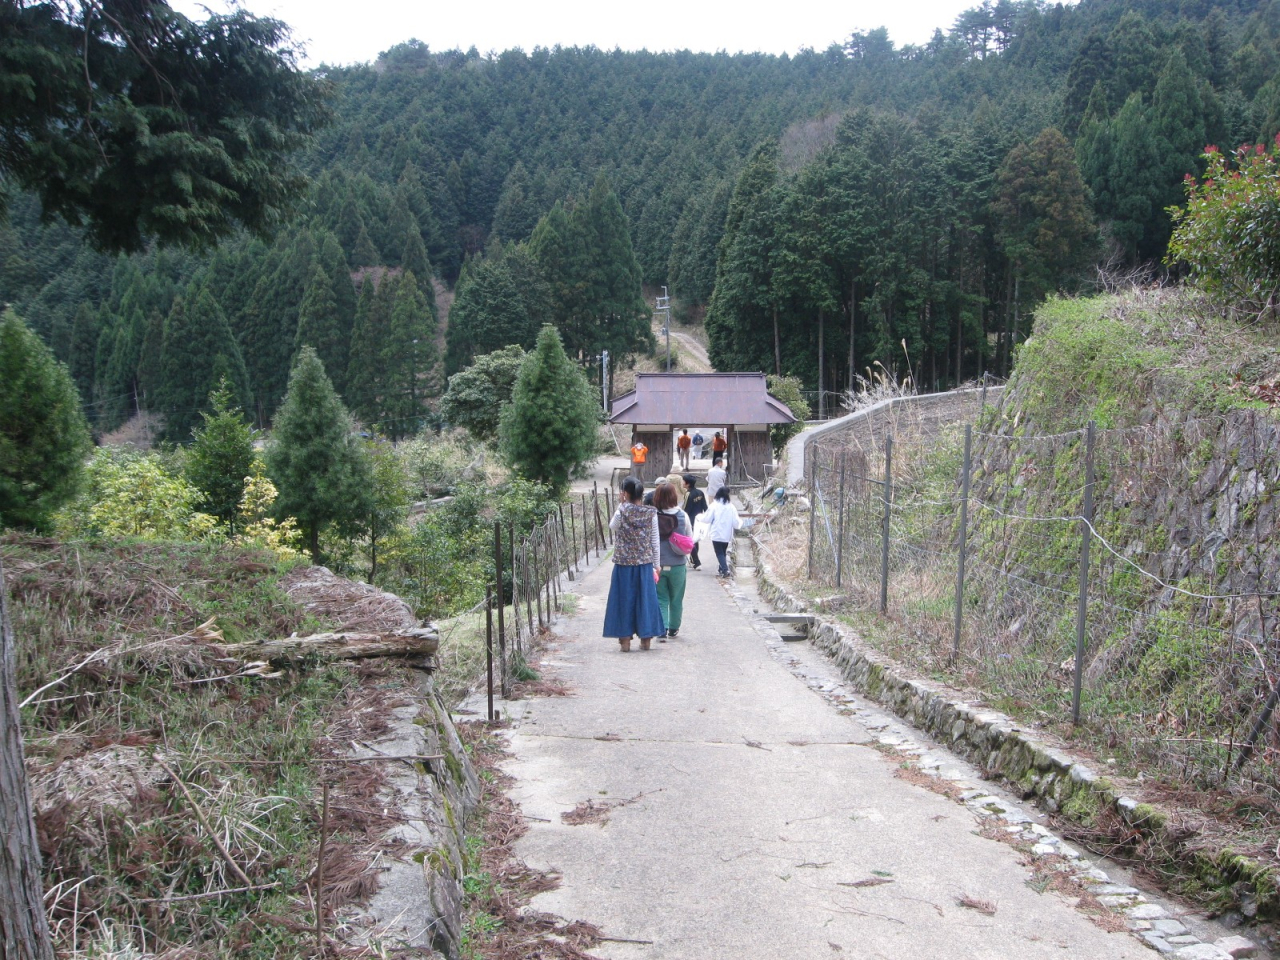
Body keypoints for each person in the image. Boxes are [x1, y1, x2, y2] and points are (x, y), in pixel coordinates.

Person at [603, 476, 665, 652]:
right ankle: (646, 639)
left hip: (623, 564)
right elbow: (655, 541)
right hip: (644, 564)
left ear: (625, 493)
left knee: (624, 599)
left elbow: (612, 526)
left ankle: (625, 640)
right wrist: (657, 564)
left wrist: (621, 504)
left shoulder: (622, 511)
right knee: (645, 599)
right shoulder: (651, 513)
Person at [653, 482, 691, 639]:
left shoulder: (653, 516)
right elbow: (690, 537)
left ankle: (662, 629)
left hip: (659, 565)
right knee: (676, 598)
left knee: (661, 597)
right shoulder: (683, 515)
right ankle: (674, 628)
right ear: (674, 496)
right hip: (678, 565)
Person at [703, 486, 743, 578]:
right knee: (723, 551)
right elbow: (735, 521)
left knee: (719, 553)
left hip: (716, 533)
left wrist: (699, 517)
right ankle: (721, 568)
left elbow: (707, 518)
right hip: (726, 533)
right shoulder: (731, 506)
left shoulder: (714, 505)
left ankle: (725, 570)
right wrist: (740, 524)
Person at [682, 473, 707, 571]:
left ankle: (697, 562)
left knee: (690, 541)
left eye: (683, 481)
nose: (682, 483)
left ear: (687, 484)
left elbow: (685, 508)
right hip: (699, 519)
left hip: (691, 520)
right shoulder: (700, 492)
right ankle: (693, 561)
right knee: (695, 540)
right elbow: (705, 506)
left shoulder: (688, 494)